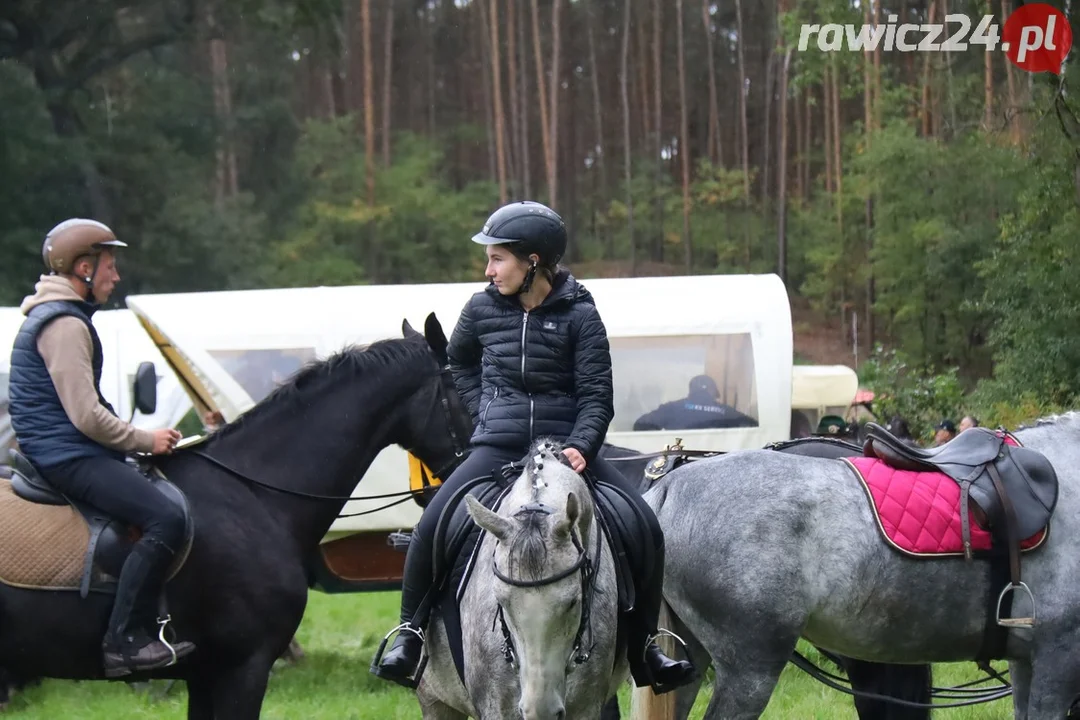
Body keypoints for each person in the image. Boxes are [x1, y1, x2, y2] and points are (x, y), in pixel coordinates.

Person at [371, 200, 695, 693]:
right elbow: (459, 363)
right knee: (432, 522)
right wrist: (486, 411)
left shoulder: (582, 315)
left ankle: (646, 645)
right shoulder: (480, 308)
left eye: (498, 258)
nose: (488, 269)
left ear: (533, 261)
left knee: (642, 525)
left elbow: (596, 396)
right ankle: (410, 633)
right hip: (497, 445)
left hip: (564, 449)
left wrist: (583, 445)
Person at [7, 219, 195, 677]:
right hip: (66, 457)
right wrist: (143, 438)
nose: (115, 276)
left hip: (66, 449)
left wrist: (136, 447)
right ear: (84, 268)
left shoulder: (62, 317)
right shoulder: (65, 324)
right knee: (165, 517)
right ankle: (125, 640)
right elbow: (86, 416)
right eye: (110, 265)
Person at [632, 375, 757, 431]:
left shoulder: (672, 408)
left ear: (691, 390)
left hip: (680, 462)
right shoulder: (727, 412)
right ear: (713, 391)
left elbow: (640, 425)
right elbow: (752, 426)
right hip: (715, 461)